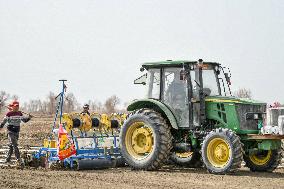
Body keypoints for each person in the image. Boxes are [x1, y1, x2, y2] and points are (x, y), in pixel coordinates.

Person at [0, 100, 32, 166]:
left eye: (18, 106)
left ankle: (7, 159)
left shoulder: (19, 113)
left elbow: (24, 120)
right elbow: (3, 122)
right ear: (12, 107)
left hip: (17, 131)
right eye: (15, 106)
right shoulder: (8, 114)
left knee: (11, 146)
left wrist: (29, 117)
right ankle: (18, 159)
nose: (17, 107)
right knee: (15, 145)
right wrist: (0, 127)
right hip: (10, 131)